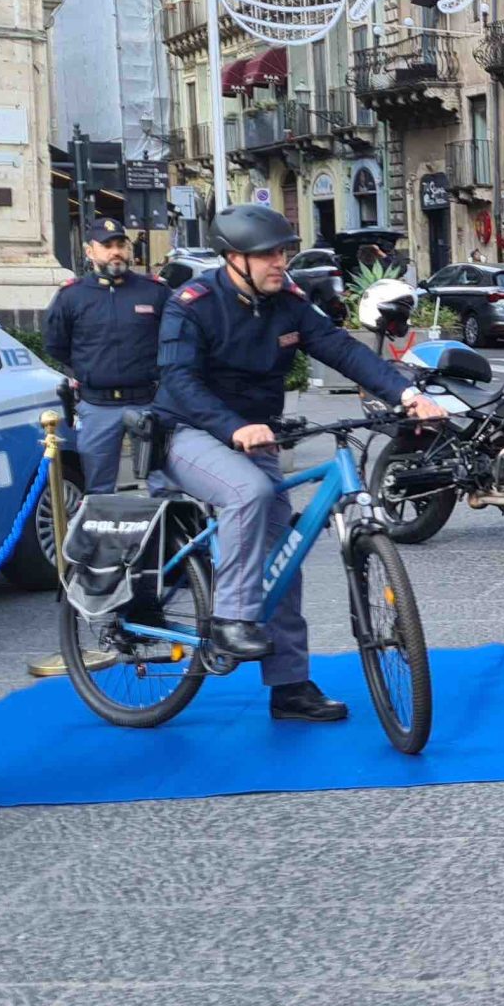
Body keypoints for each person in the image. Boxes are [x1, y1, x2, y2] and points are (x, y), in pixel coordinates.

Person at [154, 203, 447, 722]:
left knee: (286, 552)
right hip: (191, 432)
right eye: (266, 254)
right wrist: (233, 426)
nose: (279, 262)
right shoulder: (192, 305)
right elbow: (180, 382)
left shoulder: (287, 303)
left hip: (257, 438)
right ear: (232, 259)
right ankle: (230, 617)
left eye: (284, 251)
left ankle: (289, 685)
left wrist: (405, 396)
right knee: (249, 492)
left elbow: (342, 350)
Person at [44, 218, 168, 494]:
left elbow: (173, 340)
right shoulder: (72, 296)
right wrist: (90, 370)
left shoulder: (155, 291)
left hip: (148, 402)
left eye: (121, 245)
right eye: (107, 246)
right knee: (98, 489)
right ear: (91, 252)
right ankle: (101, 538)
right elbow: (55, 344)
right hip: (97, 406)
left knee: (163, 484)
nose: (115, 252)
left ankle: (169, 536)